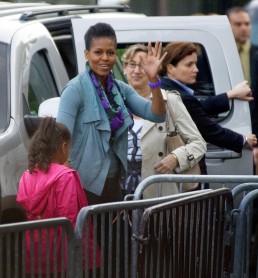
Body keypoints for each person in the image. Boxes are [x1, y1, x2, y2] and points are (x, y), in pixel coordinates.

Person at [56, 22, 167, 205]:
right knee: (86, 234)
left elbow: (156, 114)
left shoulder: (120, 89)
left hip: (114, 182)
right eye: (98, 52)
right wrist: (68, 184)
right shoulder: (75, 89)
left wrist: (154, 80)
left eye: (110, 52)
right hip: (82, 185)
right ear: (86, 54)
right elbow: (60, 138)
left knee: (113, 233)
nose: (105, 58)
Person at [16, 117, 101, 276]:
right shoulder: (65, 176)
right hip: (63, 255)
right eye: (69, 148)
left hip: (35, 251)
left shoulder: (27, 175)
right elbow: (71, 218)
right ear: (63, 147)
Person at [121, 44, 206, 197]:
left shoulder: (170, 101)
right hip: (120, 194)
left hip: (159, 192)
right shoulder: (114, 102)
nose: (137, 70)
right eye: (132, 64)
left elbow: (198, 143)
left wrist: (175, 158)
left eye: (143, 65)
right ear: (124, 68)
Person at [159, 42, 257, 172]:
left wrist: (230, 94)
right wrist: (243, 140)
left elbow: (199, 107)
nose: (196, 69)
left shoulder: (166, 88)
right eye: (189, 64)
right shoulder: (182, 97)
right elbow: (209, 130)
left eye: (195, 63)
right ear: (170, 68)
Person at [226, 6, 258, 138]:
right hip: (227, 116)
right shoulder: (219, 54)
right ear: (228, 26)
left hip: (254, 118)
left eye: (247, 24)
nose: (243, 28)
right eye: (238, 24)